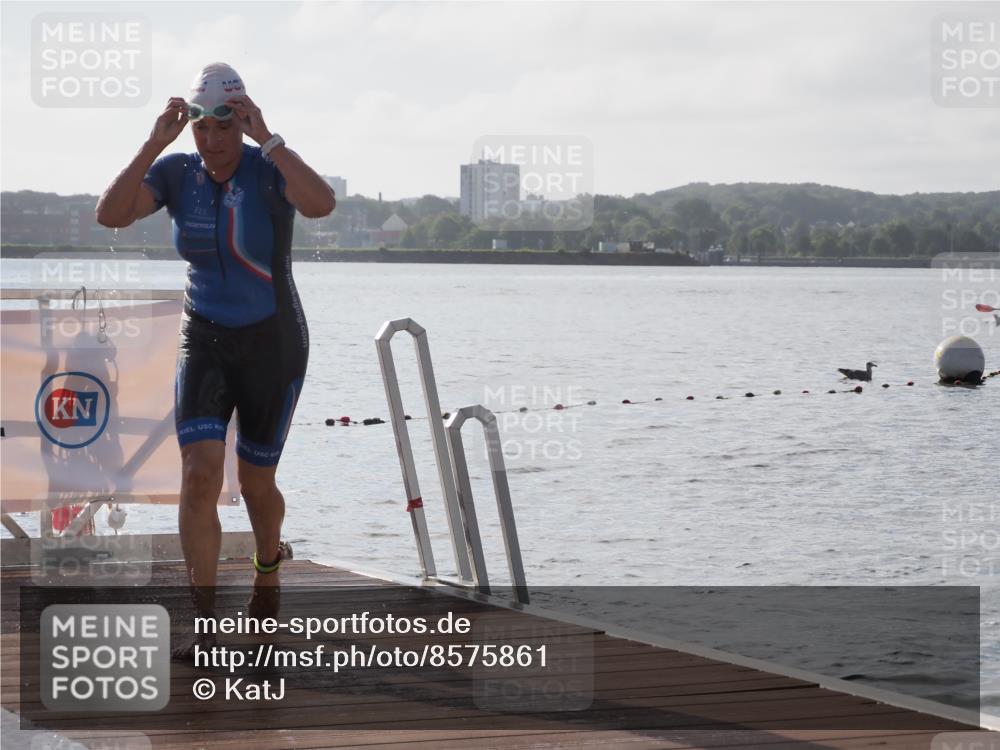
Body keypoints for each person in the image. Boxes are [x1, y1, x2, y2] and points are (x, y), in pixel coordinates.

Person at [96, 63, 335, 652]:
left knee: (256, 481)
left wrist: (270, 140)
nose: (213, 140)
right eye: (202, 129)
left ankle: (267, 568)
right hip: (203, 336)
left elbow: (322, 204)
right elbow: (111, 214)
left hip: (272, 339)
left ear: (243, 121)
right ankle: (202, 619)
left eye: (224, 127)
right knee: (199, 475)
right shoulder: (176, 173)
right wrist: (155, 141)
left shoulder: (267, 169)